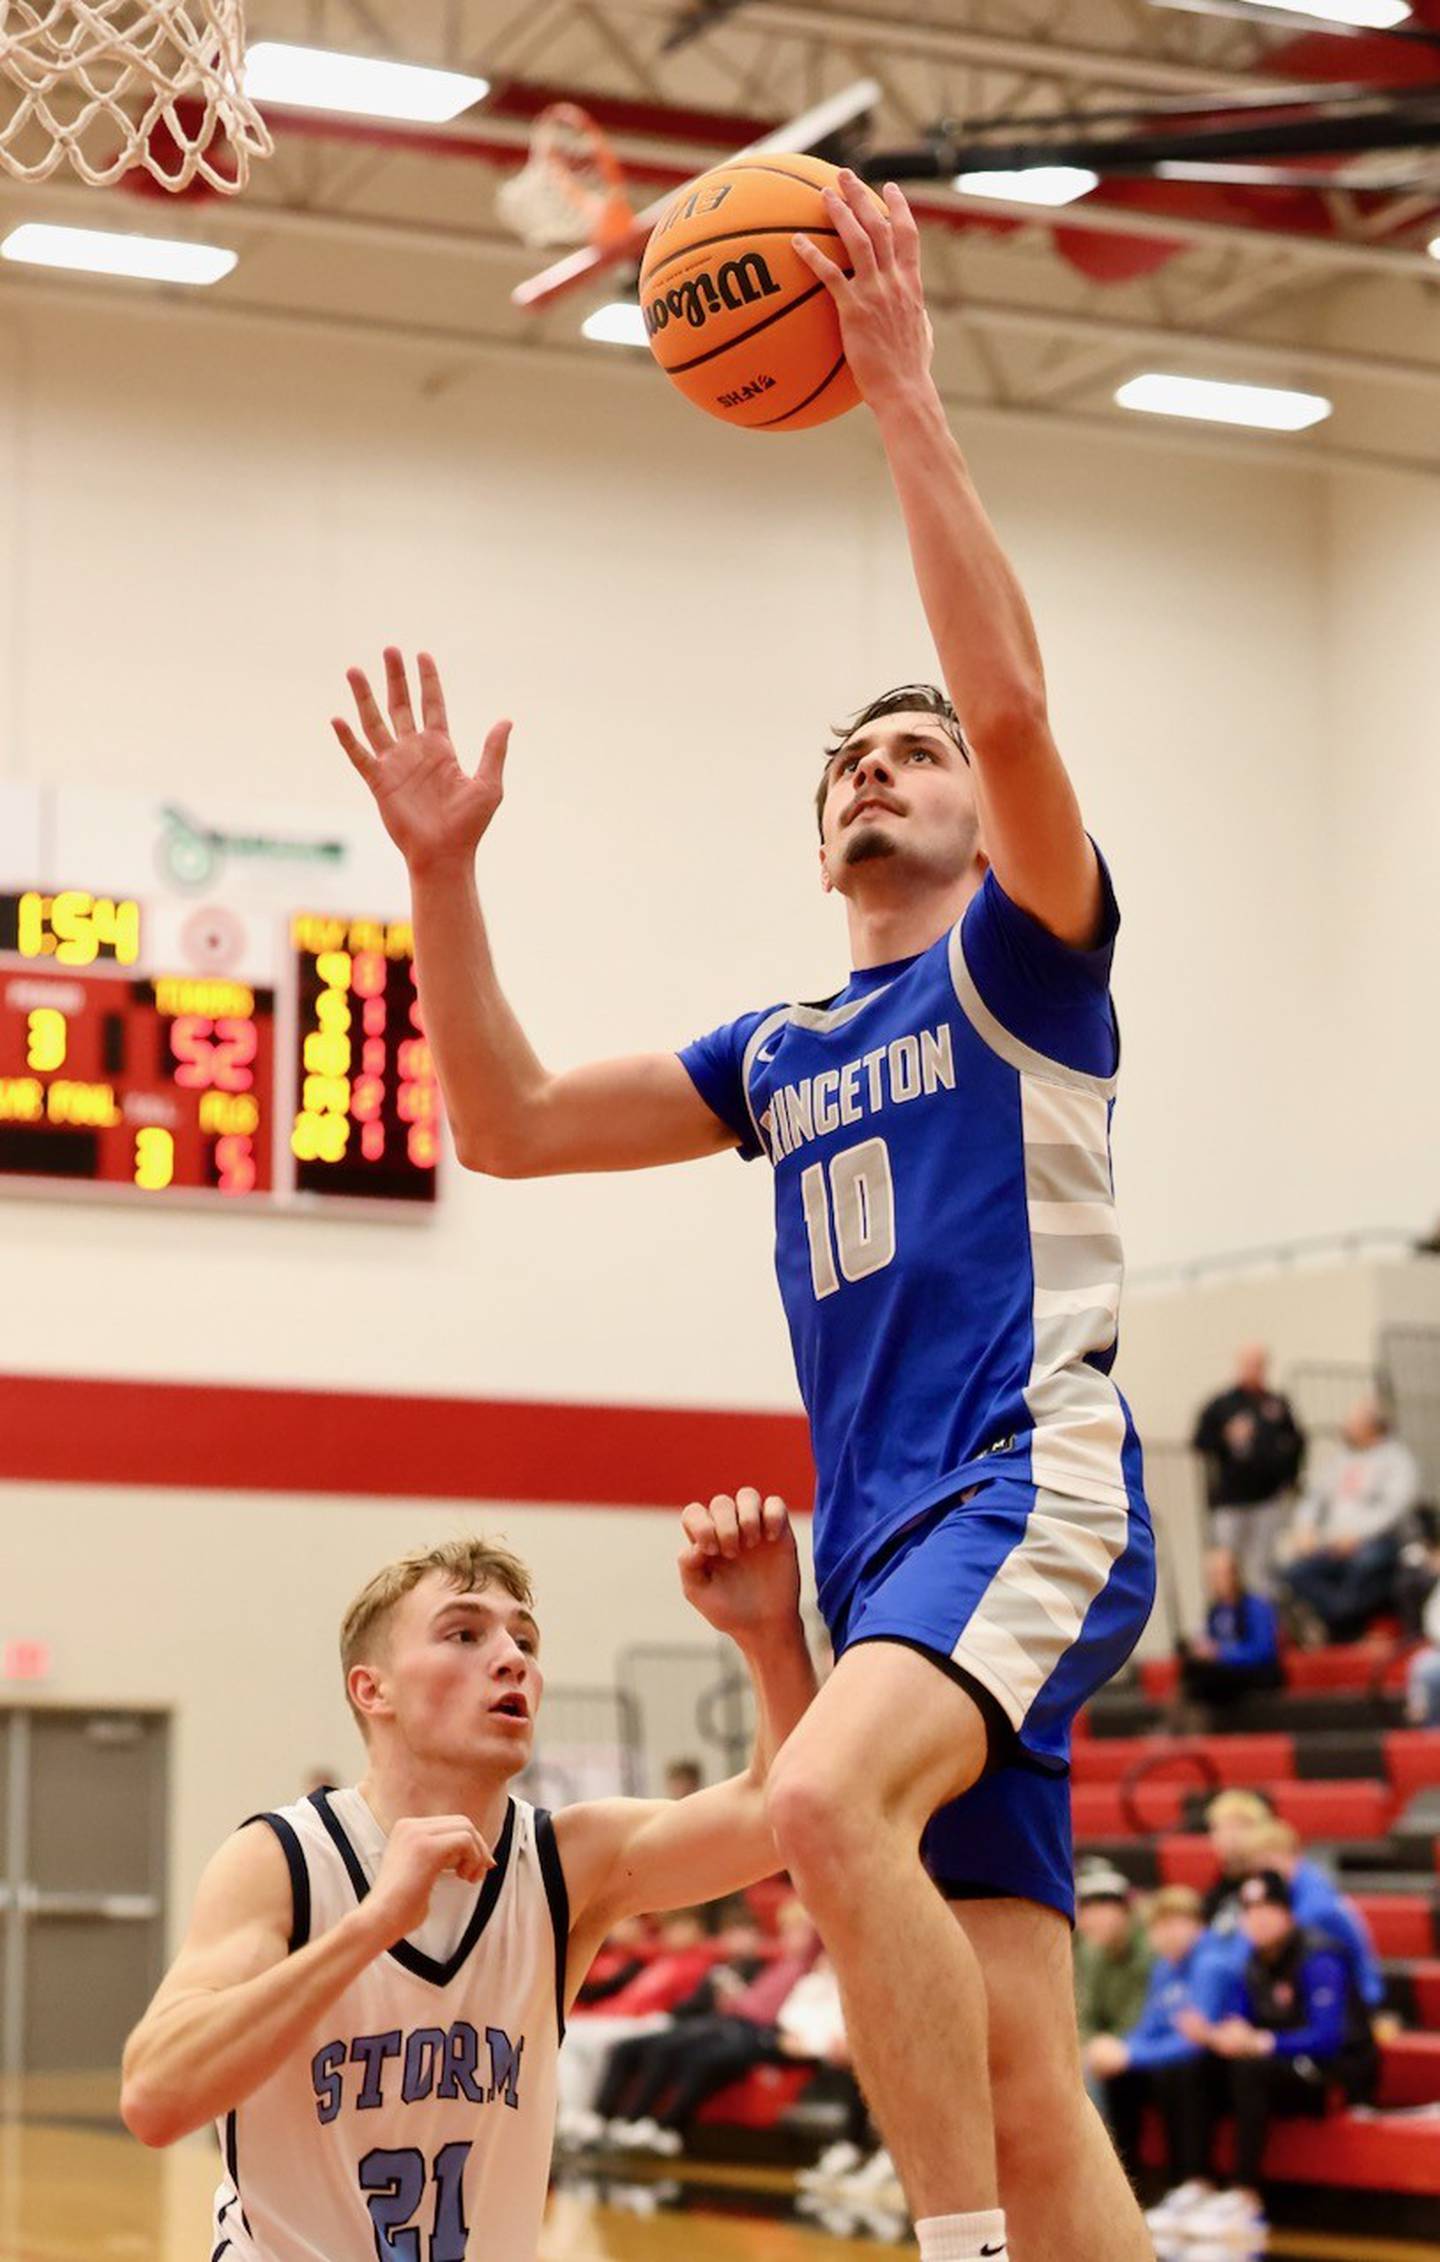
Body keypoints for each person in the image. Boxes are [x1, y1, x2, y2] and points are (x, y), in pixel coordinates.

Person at [335, 168, 1157, 2262]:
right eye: (853, 765)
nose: (884, 771)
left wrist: (899, 392)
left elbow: (1025, 710)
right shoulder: (780, 1051)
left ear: (982, 811)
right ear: (821, 843)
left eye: (918, 751)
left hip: (1025, 1478)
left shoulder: (1026, 968)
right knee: (1025, 2070)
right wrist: (443, 871)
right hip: (889, 1542)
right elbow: (506, 1123)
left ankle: (945, 2249)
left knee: (810, 1805)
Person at [119, 1495, 816, 2262]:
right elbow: (155, 2099)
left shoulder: (563, 1861)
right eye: (464, 1634)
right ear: (371, 1690)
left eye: (524, 1639)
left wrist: (768, 1634)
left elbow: (779, 1813)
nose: (512, 1656)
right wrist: (372, 1924)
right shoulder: (284, 1860)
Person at [1162, 1869, 1379, 2248]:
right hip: (1279, 2064)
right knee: (1195, 2065)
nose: (1257, 1915)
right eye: (1248, 1908)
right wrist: (1214, 2036)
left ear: (1288, 1912)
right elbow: (1241, 2024)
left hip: (1337, 2073)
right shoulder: (1252, 1960)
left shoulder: (1319, 1955)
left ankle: (1246, 2194)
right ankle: (1196, 2182)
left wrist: (1263, 2043)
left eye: (1267, 1906)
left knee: (1250, 2070)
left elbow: (1329, 2038)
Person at [1081, 1886, 1230, 2203]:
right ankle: (1121, 2182)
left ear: (1197, 1924)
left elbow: (1193, 2041)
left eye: (1175, 1923)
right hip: (1185, 2061)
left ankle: (1192, 2182)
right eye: (1159, 1926)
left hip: (1223, 2067)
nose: (1167, 1934)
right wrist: (1118, 2049)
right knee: (1116, 2075)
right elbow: (1151, 2027)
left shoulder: (1210, 1964)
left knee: (1178, 2071)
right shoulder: (1166, 1967)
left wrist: (1129, 2054)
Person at [1281, 1398, 1419, 1642]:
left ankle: (1341, 1625)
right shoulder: (1338, 1461)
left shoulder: (1396, 1459)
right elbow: (1313, 1499)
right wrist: (1306, 1530)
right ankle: (1343, 1617)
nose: (1345, 1429)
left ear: (1371, 1426)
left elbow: (1394, 1509)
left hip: (1380, 1541)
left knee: (1366, 1563)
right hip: (1334, 1542)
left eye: (1352, 1424)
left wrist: (1357, 1537)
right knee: (1296, 1572)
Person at [1192, 1347, 1305, 1596]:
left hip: (1267, 1500)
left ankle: (1264, 1624)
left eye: (1259, 1364)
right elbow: (1200, 1442)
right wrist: (1227, 1437)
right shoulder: (1221, 1405)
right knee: (1225, 1565)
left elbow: (1297, 1442)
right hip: (1231, 1501)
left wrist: (1289, 1479)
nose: (1254, 1370)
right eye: (1249, 1364)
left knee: (1262, 1568)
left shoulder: (1275, 1403)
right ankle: (1230, 1623)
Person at [1176, 1547, 1282, 1719]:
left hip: (1255, 1671)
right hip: (1227, 1672)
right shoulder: (1215, 1612)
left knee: (1202, 1679)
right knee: (1192, 1668)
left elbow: (1263, 1651)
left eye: (1218, 1574)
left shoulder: (1255, 1606)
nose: (1214, 1581)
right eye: (1210, 1576)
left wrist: (1222, 1652)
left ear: (1234, 1575)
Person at [1073, 1868, 1154, 2078]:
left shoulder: (1150, 1952)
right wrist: (1091, 2044)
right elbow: (1085, 2014)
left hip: (1144, 2048)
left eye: (1101, 1908)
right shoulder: (1091, 1954)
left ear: (1125, 1911)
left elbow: (1146, 2016)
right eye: (1086, 1909)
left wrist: (1110, 2044)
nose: (1091, 1919)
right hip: (1106, 2050)